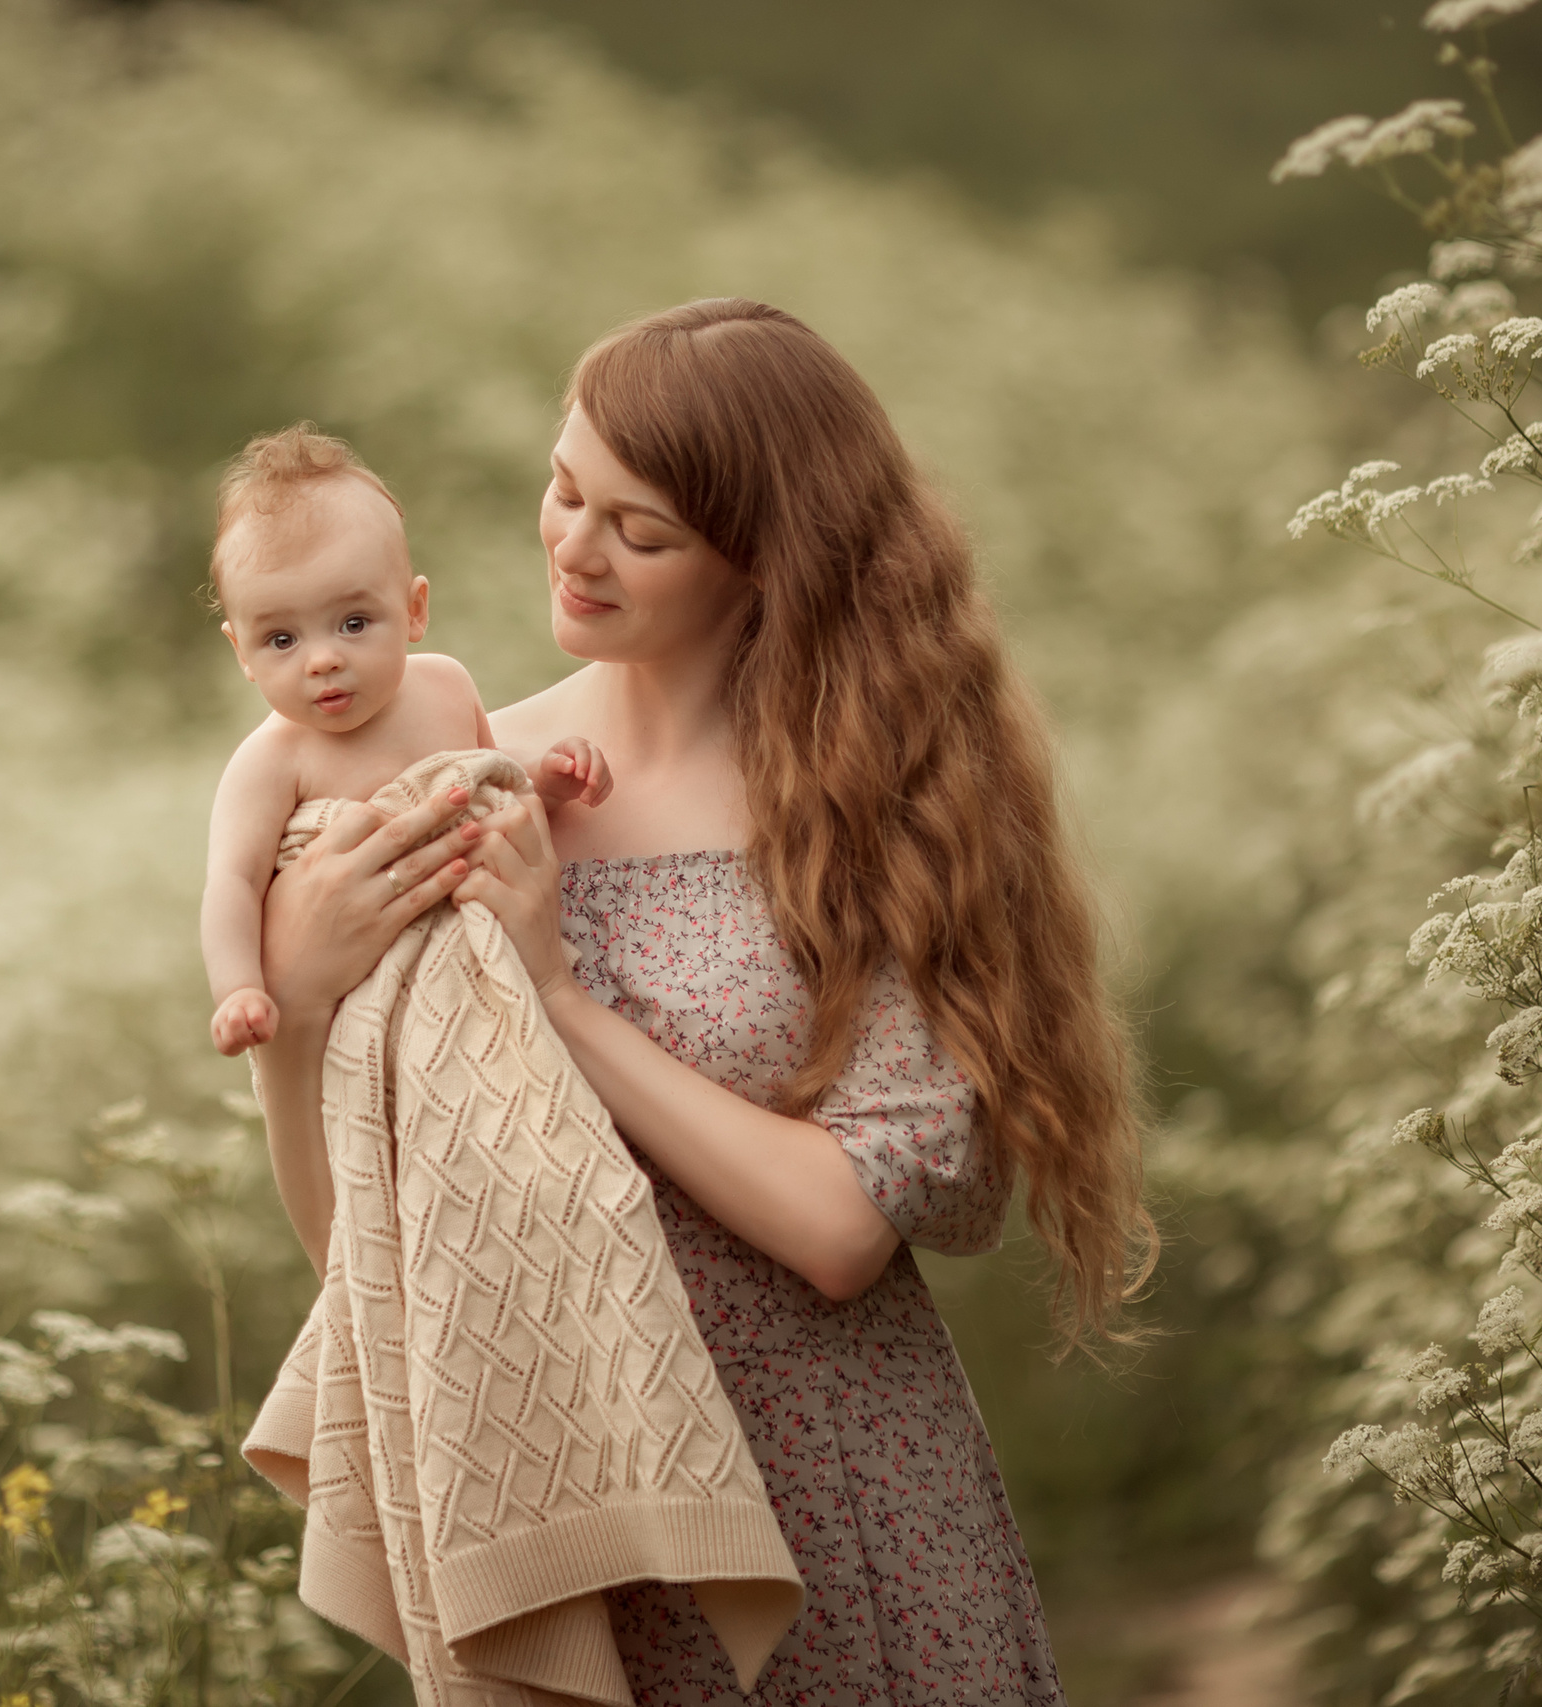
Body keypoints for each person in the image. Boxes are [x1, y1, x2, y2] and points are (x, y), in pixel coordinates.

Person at [247, 299, 1154, 1704]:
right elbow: (363, 1252)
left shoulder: (874, 812)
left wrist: (556, 988)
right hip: (557, 1507)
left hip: (834, 1509)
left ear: (765, 561)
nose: (573, 546)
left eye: (643, 530)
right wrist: (295, 1014)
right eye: (564, 488)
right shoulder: (461, 780)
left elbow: (845, 1226)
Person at [199, 423, 607, 1057]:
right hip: (374, 1016)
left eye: (354, 623)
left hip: (490, 974)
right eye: (282, 640)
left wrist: (545, 777)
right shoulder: (272, 760)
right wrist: (239, 990)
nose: (323, 660)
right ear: (241, 651)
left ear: (414, 610)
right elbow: (233, 883)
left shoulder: (444, 686)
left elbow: (487, 781)